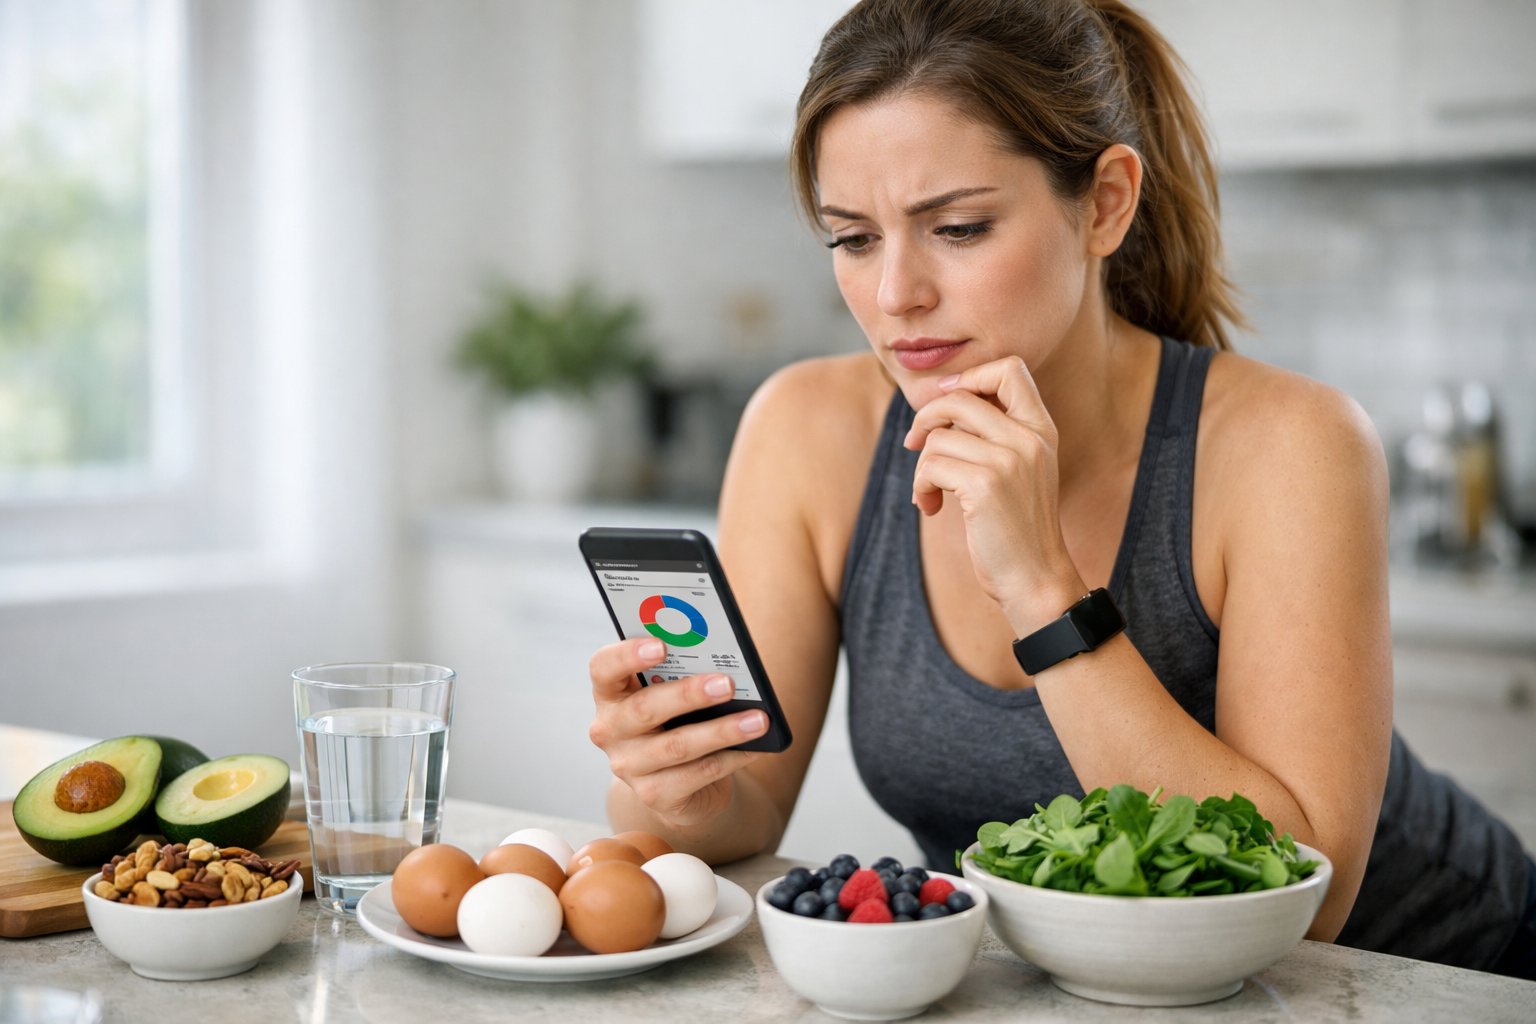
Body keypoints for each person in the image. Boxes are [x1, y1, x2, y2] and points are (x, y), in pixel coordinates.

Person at [585, 0, 1535, 978]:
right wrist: (678, 789)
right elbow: (746, 817)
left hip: (1434, 978)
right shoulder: (807, 431)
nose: (896, 294)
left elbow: (1306, 896)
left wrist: (1045, 589)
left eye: (957, 227)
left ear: (1107, 202)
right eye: (853, 239)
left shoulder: (1289, 445)